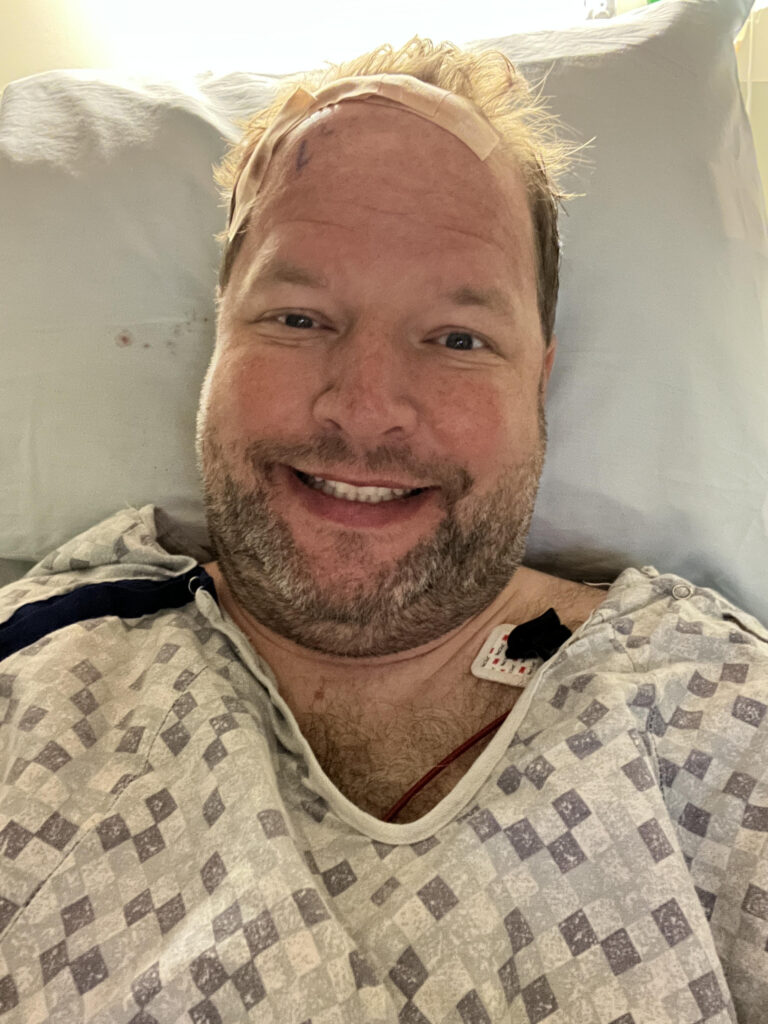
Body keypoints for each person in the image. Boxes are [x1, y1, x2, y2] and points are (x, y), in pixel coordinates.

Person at [1, 37, 767, 1024]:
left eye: (457, 337)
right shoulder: (34, 683)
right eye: (298, 316)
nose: (365, 410)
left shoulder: (719, 721)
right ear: (218, 337)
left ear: (539, 378)